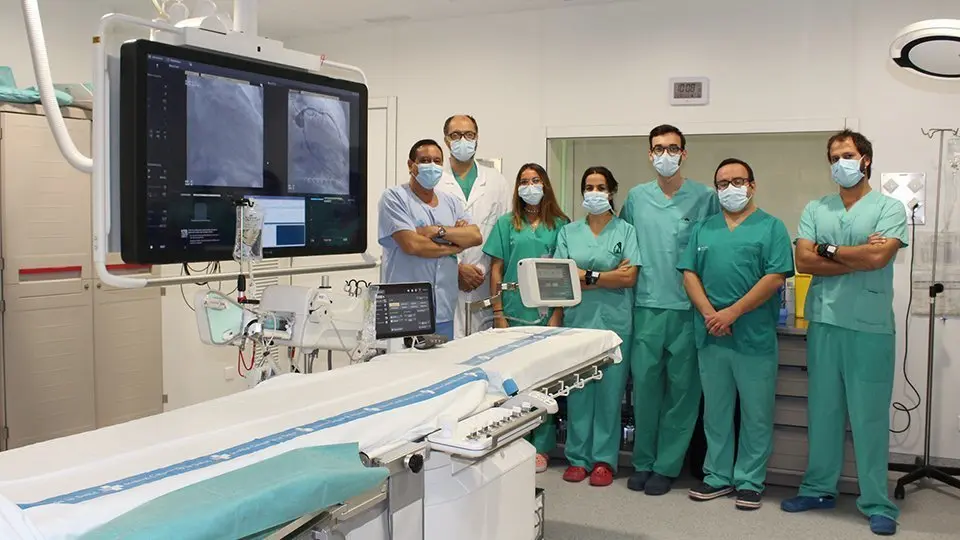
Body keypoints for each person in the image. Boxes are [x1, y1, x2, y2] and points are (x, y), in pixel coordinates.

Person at [780, 130, 906, 536]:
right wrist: (858, 257)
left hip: (869, 326)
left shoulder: (890, 208)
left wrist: (829, 250)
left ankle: (876, 502)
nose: (840, 163)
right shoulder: (817, 208)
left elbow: (880, 256)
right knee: (824, 411)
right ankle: (818, 488)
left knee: (869, 417)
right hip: (825, 321)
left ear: (866, 159)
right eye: (834, 157)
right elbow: (804, 261)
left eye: (848, 155)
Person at [677, 158, 794, 510]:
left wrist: (733, 312)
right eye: (723, 183)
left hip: (753, 336)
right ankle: (717, 476)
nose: (730, 188)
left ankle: (750, 480)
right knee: (716, 412)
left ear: (752, 185)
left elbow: (775, 276)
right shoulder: (703, 228)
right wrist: (710, 313)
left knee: (757, 413)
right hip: (712, 334)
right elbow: (689, 274)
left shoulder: (771, 227)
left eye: (738, 181)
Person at [619, 124, 720, 495]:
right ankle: (643, 461)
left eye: (672, 148)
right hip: (646, 305)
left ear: (684, 153)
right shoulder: (636, 198)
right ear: (649, 154)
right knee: (645, 392)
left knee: (682, 394)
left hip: (687, 309)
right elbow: (625, 248)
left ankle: (666, 466)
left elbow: (712, 248)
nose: (665, 155)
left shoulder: (704, 197)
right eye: (658, 148)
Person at [555, 166, 641, 487]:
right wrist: (607, 278)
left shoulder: (626, 232)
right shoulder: (568, 232)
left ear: (611, 191)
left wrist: (586, 275)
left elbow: (629, 277)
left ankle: (604, 459)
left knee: (610, 394)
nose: (594, 192)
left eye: (600, 186)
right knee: (578, 392)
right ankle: (577, 458)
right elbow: (562, 279)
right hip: (577, 323)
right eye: (588, 187)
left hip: (615, 324)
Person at [483, 162, 569, 472]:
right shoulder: (507, 224)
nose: (530, 186)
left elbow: (564, 273)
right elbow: (495, 269)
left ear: (545, 185)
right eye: (524, 181)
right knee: (510, 383)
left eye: (535, 180)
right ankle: (510, 441)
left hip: (546, 314)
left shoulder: (561, 224)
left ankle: (541, 446)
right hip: (512, 310)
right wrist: (498, 312)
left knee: (543, 382)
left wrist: (558, 313)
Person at [378, 139, 483, 340]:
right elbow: (412, 244)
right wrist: (454, 246)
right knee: (402, 368)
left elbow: (475, 236)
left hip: (443, 307)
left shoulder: (450, 202)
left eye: (437, 161)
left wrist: (436, 231)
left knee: (442, 368)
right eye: (425, 160)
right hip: (404, 306)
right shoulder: (394, 198)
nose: (432, 166)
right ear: (411, 165)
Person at [436, 115, 512, 338]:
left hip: (484, 281)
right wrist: (457, 269)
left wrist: (481, 271)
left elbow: (503, 234)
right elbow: (425, 233)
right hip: (444, 281)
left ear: (477, 138)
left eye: (469, 135)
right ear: (446, 140)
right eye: (456, 135)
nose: (463, 140)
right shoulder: (436, 181)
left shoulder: (496, 182)